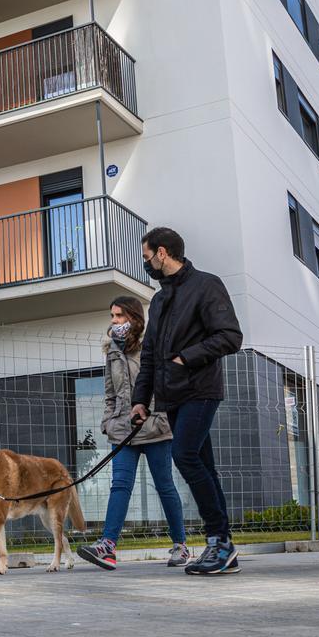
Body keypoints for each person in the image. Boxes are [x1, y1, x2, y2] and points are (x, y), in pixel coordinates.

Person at [131, 227, 243, 575]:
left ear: (162, 253)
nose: (145, 262)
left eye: (147, 256)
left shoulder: (206, 285)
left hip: (200, 388)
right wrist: (140, 399)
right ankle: (223, 547)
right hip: (171, 395)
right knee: (202, 465)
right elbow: (149, 354)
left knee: (185, 456)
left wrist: (186, 358)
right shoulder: (160, 299)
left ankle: (218, 541)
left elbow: (230, 336)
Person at [77, 296, 189, 571]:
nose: (113, 321)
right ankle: (108, 546)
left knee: (164, 485)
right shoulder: (112, 350)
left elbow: (163, 384)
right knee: (120, 485)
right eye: (112, 316)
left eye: (118, 316)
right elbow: (110, 393)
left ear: (133, 318)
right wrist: (108, 421)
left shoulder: (151, 346)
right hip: (122, 431)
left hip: (154, 428)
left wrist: (150, 411)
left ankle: (181, 545)